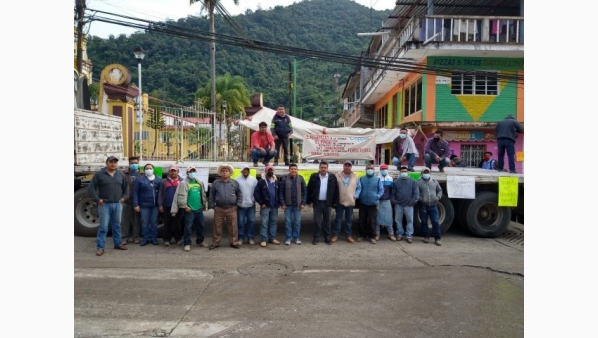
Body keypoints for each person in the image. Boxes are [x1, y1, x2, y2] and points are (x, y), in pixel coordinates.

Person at [87, 156, 129, 256]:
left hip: (117, 204)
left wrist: (125, 197)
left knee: (117, 226)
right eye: (111, 162)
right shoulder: (99, 174)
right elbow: (91, 188)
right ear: (106, 163)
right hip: (104, 205)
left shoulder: (120, 174)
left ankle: (118, 244)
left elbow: (126, 187)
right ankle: (100, 248)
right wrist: (97, 199)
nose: (113, 164)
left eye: (115, 162)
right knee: (103, 227)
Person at [171, 165, 209, 252]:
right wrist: (185, 206)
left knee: (201, 226)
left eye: (193, 171)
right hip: (189, 209)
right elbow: (180, 197)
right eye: (190, 172)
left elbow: (202, 195)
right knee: (188, 227)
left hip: (199, 209)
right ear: (187, 173)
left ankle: (200, 241)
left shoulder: (199, 182)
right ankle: (187, 243)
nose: (192, 173)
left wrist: (203, 205)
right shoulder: (183, 183)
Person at [208, 164, 242, 250]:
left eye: (226, 171)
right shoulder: (216, 183)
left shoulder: (234, 183)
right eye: (223, 171)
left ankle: (234, 242)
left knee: (233, 227)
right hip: (219, 208)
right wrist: (213, 206)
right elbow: (211, 195)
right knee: (217, 227)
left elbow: (239, 194)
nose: (225, 173)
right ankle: (215, 242)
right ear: (220, 173)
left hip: (232, 208)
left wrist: (237, 205)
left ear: (229, 173)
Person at [306, 161, 339, 245]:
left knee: (327, 221)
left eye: (325, 168)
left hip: (328, 203)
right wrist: (308, 200)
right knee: (317, 221)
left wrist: (335, 202)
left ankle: (327, 238)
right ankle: (316, 238)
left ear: (327, 168)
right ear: (319, 168)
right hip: (317, 203)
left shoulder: (332, 177)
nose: (323, 169)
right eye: (322, 167)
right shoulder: (314, 176)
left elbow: (336, 190)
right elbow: (309, 189)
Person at [332, 160, 361, 244]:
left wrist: (356, 196)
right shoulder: (337, 175)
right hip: (340, 201)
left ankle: (348, 236)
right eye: (346, 165)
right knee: (338, 219)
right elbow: (333, 187)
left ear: (351, 167)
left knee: (349, 220)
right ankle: (335, 235)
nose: (347, 167)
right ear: (343, 166)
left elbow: (359, 187)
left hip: (350, 201)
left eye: (349, 166)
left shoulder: (355, 176)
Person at [133, 163, 162, 246]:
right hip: (144, 205)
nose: (149, 170)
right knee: (145, 222)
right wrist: (136, 204)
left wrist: (160, 204)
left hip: (155, 205)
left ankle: (154, 238)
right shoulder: (140, 180)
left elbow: (161, 193)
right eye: (147, 168)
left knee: (154, 222)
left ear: (153, 169)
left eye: (150, 168)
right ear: (144, 170)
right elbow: (135, 193)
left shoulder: (158, 180)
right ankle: (145, 238)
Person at [279, 163, 307, 245]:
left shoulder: (301, 179)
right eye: (292, 169)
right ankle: (288, 238)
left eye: (295, 169)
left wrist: (303, 203)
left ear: (297, 170)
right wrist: (282, 203)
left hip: (298, 205)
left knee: (297, 222)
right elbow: (281, 192)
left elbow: (305, 192)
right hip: (287, 205)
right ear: (289, 170)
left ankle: (296, 237)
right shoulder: (284, 179)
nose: (293, 170)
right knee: (288, 222)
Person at [391, 166, 419, 244]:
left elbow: (416, 193)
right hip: (398, 205)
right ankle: (399, 234)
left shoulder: (413, 182)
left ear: (408, 172)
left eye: (405, 171)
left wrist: (412, 201)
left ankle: (409, 236)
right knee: (398, 220)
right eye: (402, 171)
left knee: (410, 221)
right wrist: (394, 201)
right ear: (400, 172)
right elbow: (392, 193)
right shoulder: (396, 182)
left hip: (409, 205)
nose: (404, 173)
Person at [254, 165, 280, 247]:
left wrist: (278, 202)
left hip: (274, 206)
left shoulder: (276, 181)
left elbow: (279, 193)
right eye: (268, 170)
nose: (270, 172)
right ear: (265, 171)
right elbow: (256, 193)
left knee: (273, 222)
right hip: (265, 206)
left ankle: (272, 238)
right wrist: (261, 203)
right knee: (264, 223)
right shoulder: (261, 181)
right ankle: (263, 239)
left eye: (271, 170)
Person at [357, 163, 384, 244]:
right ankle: (362, 235)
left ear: (374, 170)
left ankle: (372, 236)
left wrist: (377, 196)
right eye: (368, 168)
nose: (369, 170)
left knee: (372, 221)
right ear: (365, 170)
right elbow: (359, 188)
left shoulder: (377, 179)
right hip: (363, 202)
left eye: (371, 168)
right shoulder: (362, 178)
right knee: (362, 220)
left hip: (373, 203)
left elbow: (381, 190)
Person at [416, 167, 443, 246]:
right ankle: (426, 236)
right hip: (423, 206)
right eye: (424, 172)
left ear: (430, 173)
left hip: (433, 205)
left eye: (427, 172)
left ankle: (437, 238)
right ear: (422, 173)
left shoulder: (434, 181)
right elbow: (416, 193)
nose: (426, 174)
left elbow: (439, 190)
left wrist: (437, 197)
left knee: (435, 221)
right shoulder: (418, 182)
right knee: (424, 222)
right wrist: (422, 199)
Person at [158, 165, 183, 247]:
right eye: (171, 171)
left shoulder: (182, 181)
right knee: (167, 223)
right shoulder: (164, 182)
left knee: (177, 223)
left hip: (178, 206)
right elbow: (160, 194)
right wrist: (160, 205)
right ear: (169, 172)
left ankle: (178, 238)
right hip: (167, 205)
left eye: (175, 171)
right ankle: (166, 239)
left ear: (178, 172)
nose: (173, 172)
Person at [235, 165, 258, 245]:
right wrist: (237, 202)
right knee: (241, 222)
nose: (245, 171)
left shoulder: (253, 180)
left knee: (251, 221)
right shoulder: (237, 180)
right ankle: (240, 238)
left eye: (247, 170)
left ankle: (250, 237)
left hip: (251, 205)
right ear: (241, 171)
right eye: (244, 170)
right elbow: (235, 192)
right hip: (241, 205)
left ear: (249, 171)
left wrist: (254, 199)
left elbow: (257, 191)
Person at [121, 156, 141, 245]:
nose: (134, 165)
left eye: (136, 163)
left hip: (137, 202)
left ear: (138, 164)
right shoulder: (123, 174)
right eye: (132, 163)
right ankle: (125, 237)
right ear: (129, 164)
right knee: (125, 220)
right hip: (126, 201)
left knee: (136, 220)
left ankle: (136, 237)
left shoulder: (142, 175)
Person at [375, 164, 396, 241]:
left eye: (385, 169)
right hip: (379, 200)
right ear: (380, 170)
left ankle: (391, 234)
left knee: (389, 218)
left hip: (387, 200)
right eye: (382, 169)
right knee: (378, 218)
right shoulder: (377, 179)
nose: (384, 170)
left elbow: (392, 190)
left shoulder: (390, 179)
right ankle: (377, 234)